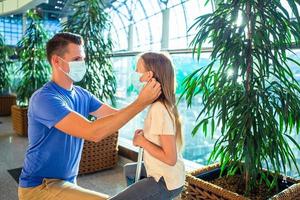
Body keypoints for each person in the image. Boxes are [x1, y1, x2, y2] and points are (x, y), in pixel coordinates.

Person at [18, 32, 161, 200]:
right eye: (77, 59)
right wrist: (140, 102)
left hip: (67, 183)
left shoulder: (81, 94)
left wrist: (147, 97)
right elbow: (92, 132)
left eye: (83, 59)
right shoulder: (44, 98)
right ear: (57, 61)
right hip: (39, 186)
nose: (82, 64)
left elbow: (115, 115)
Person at [110, 52, 185, 200]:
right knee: (130, 171)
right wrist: (145, 137)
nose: (136, 76)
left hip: (166, 182)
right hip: (172, 174)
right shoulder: (164, 104)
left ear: (150, 75)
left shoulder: (159, 108)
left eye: (138, 71)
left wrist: (142, 142)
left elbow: (170, 158)